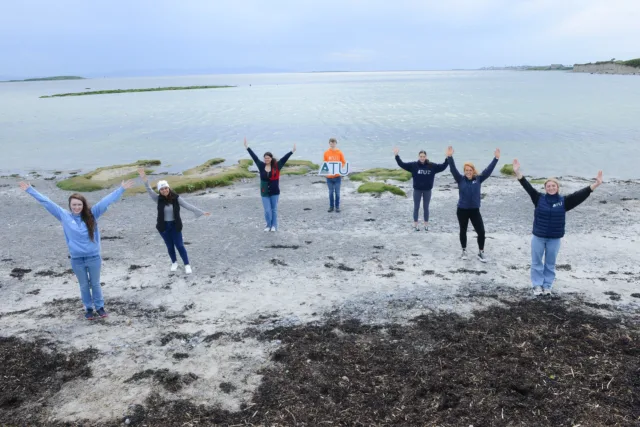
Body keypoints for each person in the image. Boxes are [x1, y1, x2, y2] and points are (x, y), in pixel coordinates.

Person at [19, 180, 134, 320]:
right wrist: (30, 189)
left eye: (79, 204)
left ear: (83, 205)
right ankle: (89, 308)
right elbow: (47, 202)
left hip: (93, 257)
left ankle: (100, 307)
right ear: (70, 205)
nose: (77, 207)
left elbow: (105, 201)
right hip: (77, 259)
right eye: (74, 205)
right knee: (84, 285)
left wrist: (121, 189)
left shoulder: (92, 214)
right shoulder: (64, 216)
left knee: (95, 284)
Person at [512, 159, 603, 296]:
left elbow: (580, 195)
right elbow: (526, 186)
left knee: (550, 263)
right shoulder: (538, 198)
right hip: (539, 237)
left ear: (557, 187)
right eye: (548, 186)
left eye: (553, 186)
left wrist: (595, 184)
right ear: (545, 188)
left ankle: (547, 285)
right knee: (536, 262)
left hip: (554, 239)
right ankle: (537, 285)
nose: (551, 188)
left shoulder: (564, 202)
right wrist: (517, 172)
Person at [138, 169, 210, 274]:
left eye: (166, 188)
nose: (164, 190)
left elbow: (187, 205)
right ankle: (174, 262)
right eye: (161, 189)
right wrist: (144, 178)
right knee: (169, 246)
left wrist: (201, 212)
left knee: (180, 245)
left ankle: (187, 264)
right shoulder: (158, 199)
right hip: (163, 227)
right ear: (159, 191)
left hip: (175, 225)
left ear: (169, 188)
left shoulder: (176, 198)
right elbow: (148, 189)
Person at [448, 146, 500, 262]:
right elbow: (452, 169)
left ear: (473, 170)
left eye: (470, 170)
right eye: (466, 170)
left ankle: (481, 252)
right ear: (464, 171)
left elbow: (488, 170)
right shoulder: (460, 179)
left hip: (475, 210)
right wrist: (450, 157)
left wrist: (496, 159)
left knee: (481, 231)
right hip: (462, 210)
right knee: (463, 230)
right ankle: (464, 251)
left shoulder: (479, 179)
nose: (468, 172)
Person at [244, 137, 295, 231]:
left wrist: (292, 151)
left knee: (274, 209)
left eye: (268, 158)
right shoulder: (261, 165)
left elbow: (284, 159)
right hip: (264, 192)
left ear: (271, 159)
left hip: (275, 191)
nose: (266, 159)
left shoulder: (277, 166)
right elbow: (254, 157)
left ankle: (274, 226)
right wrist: (247, 147)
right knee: (267, 210)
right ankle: (268, 225)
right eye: (265, 158)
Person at [394, 146, 449, 231]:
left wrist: (448, 157)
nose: (422, 158)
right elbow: (402, 164)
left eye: (424, 156)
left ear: (426, 157)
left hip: (427, 190)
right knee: (416, 207)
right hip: (417, 190)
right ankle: (416, 225)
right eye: (421, 156)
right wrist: (397, 155)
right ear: (418, 157)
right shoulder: (413, 165)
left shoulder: (432, 166)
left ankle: (426, 225)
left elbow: (443, 166)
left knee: (426, 207)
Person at [324, 137, 346, 213]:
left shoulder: (339, 152)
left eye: (334, 143)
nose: (332, 144)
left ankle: (337, 207)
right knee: (330, 192)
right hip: (329, 177)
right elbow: (325, 163)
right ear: (329, 143)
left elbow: (343, 162)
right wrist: (325, 172)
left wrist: (339, 168)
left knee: (337, 192)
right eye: (331, 142)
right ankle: (331, 206)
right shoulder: (326, 153)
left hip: (337, 177)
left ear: (336, 143)